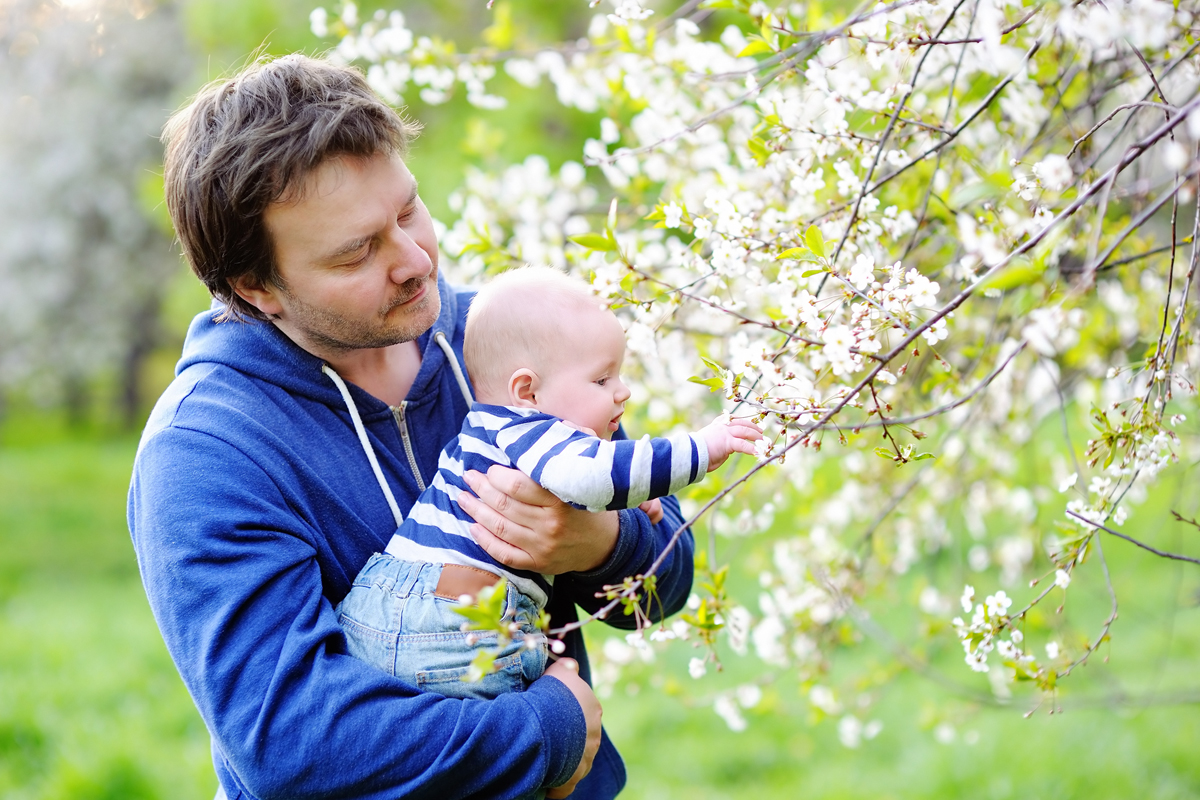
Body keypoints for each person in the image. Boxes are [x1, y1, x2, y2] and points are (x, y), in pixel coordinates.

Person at [127, 55, 695, 800]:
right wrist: (548, 732)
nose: (416, 259)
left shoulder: (499, 344)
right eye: (357, 250)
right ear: (255, 286)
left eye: (407, 211)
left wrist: (597, 542)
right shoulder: (206, 454)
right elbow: (295, 740)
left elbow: (667, 581)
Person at [337, 267, 761, 707]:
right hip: (449, 619)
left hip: (384, 609)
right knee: (525, 734)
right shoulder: (534, 431)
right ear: (528, 391)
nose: (623, 392)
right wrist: (704, 448)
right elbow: (594, 477)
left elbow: (616, 497)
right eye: (602, 380)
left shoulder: (498, 426)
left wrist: (621, 518)